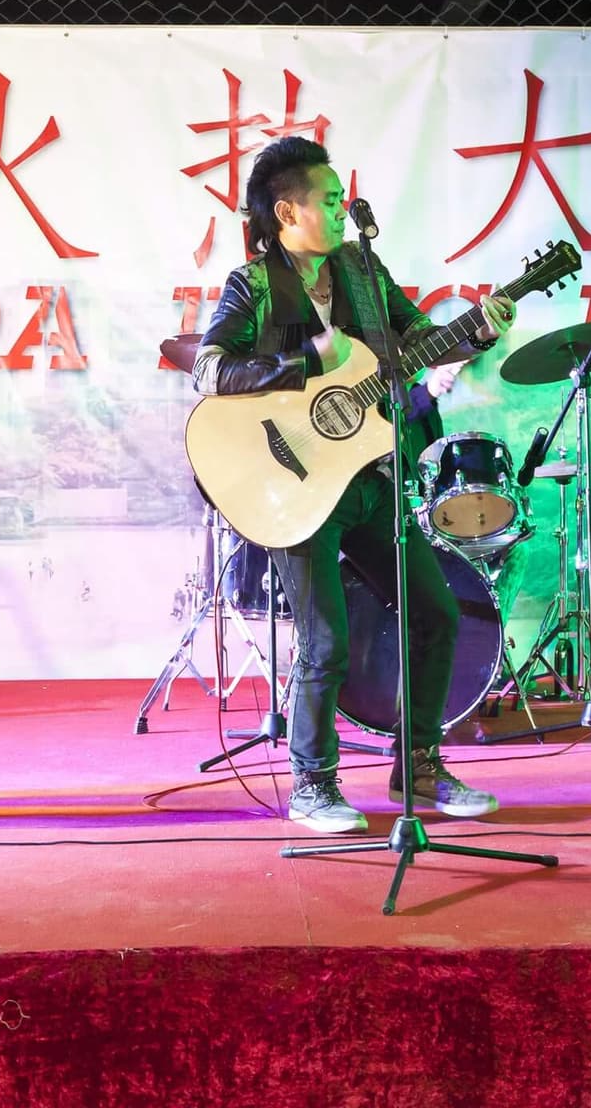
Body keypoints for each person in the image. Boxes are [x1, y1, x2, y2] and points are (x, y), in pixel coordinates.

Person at [191, 136, 514, 833]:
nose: (343, 211)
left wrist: (477, 330)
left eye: (343, 201)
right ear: (287, 211)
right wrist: (305, 362)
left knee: (437, 611)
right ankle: (313, 785)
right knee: (327, 641)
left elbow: (422, 336)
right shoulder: (254, 286)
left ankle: (419, 764)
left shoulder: (363, 270)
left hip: (369, 476)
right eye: (330, 201)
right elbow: (210, 369)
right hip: (292, 488)